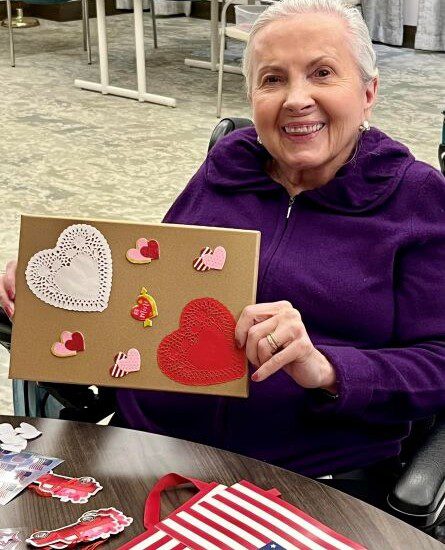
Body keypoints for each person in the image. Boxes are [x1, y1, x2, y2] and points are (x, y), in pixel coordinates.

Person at [2, 0, 445, 508]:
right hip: (146, 447)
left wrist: (328, 368)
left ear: (368, 92)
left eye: (322, 73)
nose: (297, 99)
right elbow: (147, 302)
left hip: (305, 476)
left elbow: (439, 361)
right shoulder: (227, 168)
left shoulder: (416, 200)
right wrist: (36, 296)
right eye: (272, 80)